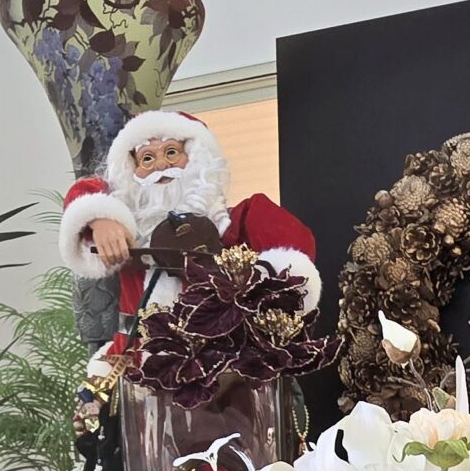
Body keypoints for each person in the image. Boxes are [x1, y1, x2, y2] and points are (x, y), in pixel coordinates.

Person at [57, 110, 318, 348]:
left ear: (196, 158)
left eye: (171, 152)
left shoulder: (238, 223)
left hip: (225, 366)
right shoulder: (131, 236)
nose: (161, 165)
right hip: (139, 367)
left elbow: (294, 256)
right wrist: (100, 218)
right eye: (147, 158)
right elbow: (85, 192)